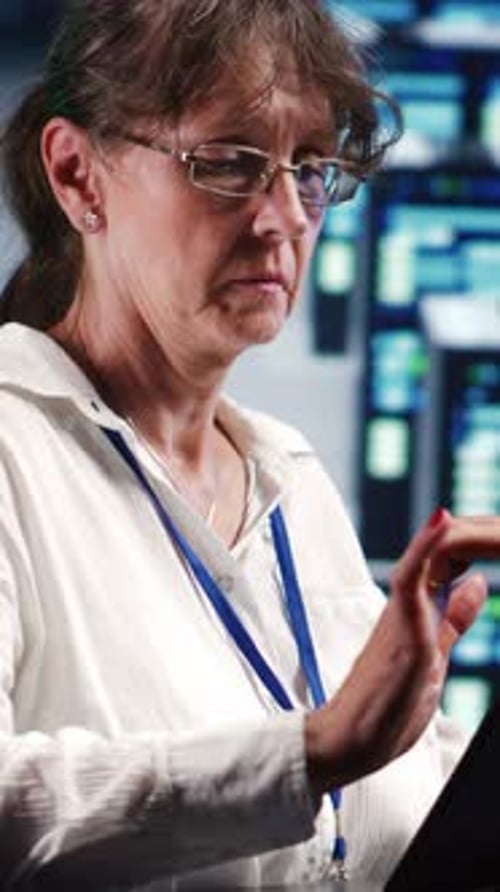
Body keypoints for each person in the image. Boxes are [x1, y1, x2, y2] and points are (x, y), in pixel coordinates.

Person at [0, 1, 498, 889]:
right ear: (78, 176)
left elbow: (388, 806)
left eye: (311, 169)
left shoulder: (287, 472)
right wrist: (311, 753)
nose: (284, 218)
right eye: (228, 164)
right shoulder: (15, 450)